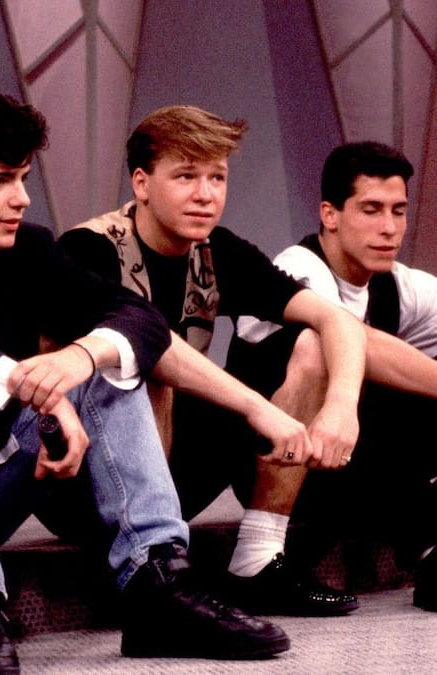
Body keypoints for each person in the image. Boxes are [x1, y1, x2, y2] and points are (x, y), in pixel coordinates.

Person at [0, 80, 290, 670]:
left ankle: (156, 581)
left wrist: (77, 361)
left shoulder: (24, 249)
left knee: (104, 363)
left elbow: (139, 319)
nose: (21, 199)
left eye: (22, 178)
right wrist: (28, 384)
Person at [59, 105, 369, 616]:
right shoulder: (87, 248)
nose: (205, 194)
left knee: (313, 344)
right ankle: (152, 563)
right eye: (186, 176)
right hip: (80, 474)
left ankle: (258, 557)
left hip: (177, 462)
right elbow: (150, 343)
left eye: (217, 177)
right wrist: (257, 408)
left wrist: (341, 406)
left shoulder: (217, 250)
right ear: (142, 183)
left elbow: (337, 321)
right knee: (144, 361)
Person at [228, 141, 437, 612]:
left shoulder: (399, 285)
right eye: (371, 210)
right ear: (330, 214)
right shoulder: (297, 268)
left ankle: (431, 553)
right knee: (326, 345)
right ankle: (260, 557)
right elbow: (351, 337)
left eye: (399, 211)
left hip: (349, 460)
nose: (389, 227)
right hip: (269, 464)